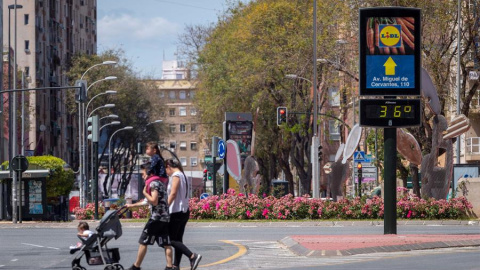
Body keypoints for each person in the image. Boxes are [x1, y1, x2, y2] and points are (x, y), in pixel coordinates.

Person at [125, 162, 174, 270]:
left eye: (143, 174)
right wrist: (131, 205)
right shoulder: (160, 183)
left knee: (143, 241)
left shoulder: (153, 184)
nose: (142, 176)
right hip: (165, 218)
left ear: (149, 173)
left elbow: (154, 201)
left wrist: (144, 192)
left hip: (156, 218)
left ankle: (136, 266)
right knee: (166, 243)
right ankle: (169, 267)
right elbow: (147, 202)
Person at [165, 158, 202, 270]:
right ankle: (176, 265)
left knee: (170, 240)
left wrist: (165, 207)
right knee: (178, 239)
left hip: (176, 211)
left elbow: (173, 193)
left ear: (169, 166)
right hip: (184, 211)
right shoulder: (183, 175)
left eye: (166, 169)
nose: (166, 172)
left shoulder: (176, 175)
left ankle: (192, 256)